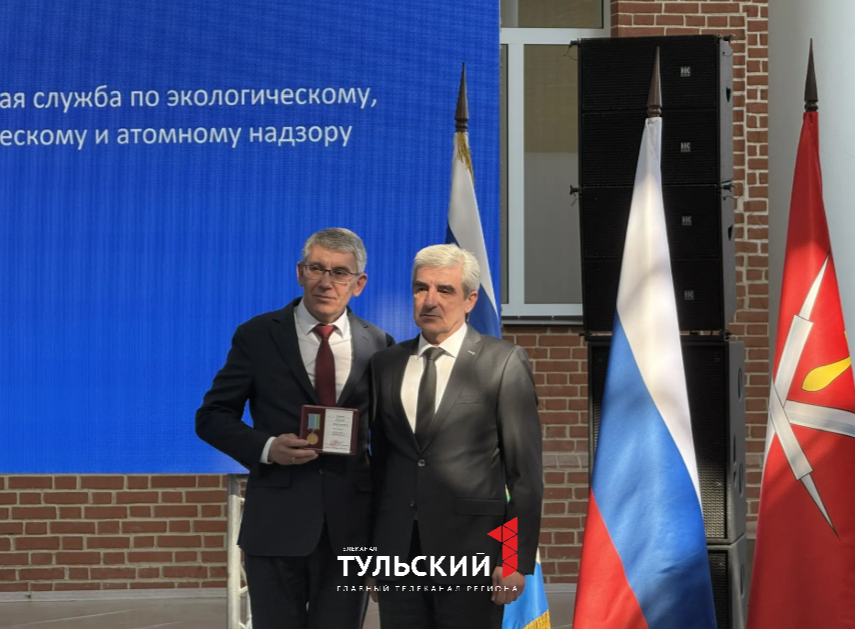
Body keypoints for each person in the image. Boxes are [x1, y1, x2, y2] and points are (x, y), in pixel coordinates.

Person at [196, 227, 394, 629]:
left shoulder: (380, 345)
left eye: (340, 273)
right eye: (316, 268)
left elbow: (387, 445)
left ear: (359, 284)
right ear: (300, 272)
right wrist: (267, 447)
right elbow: (212, 417)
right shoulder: (258, 335)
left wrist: (385, 540)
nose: (326, 282)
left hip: (350, 532)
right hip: (276, 524)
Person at [368, 244, 543, 629]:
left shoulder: (503, 362)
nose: (430, 300)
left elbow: (524, 476)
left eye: (445, 290)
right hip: (398, 557)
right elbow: (379, 468)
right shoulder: (385, 364)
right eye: (421, 288)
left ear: (470, 300)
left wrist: (512, 559)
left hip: (474, 555)